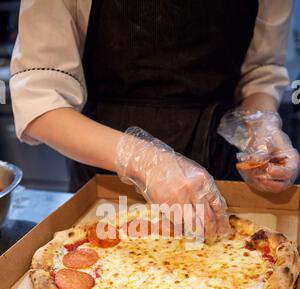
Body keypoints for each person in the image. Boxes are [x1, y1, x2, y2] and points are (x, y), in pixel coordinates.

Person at [10, 0, 300, 242]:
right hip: (107, 175)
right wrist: (144, 160)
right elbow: (40, 100)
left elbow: (261, 70)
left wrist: (259, 127)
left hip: (219, 174)